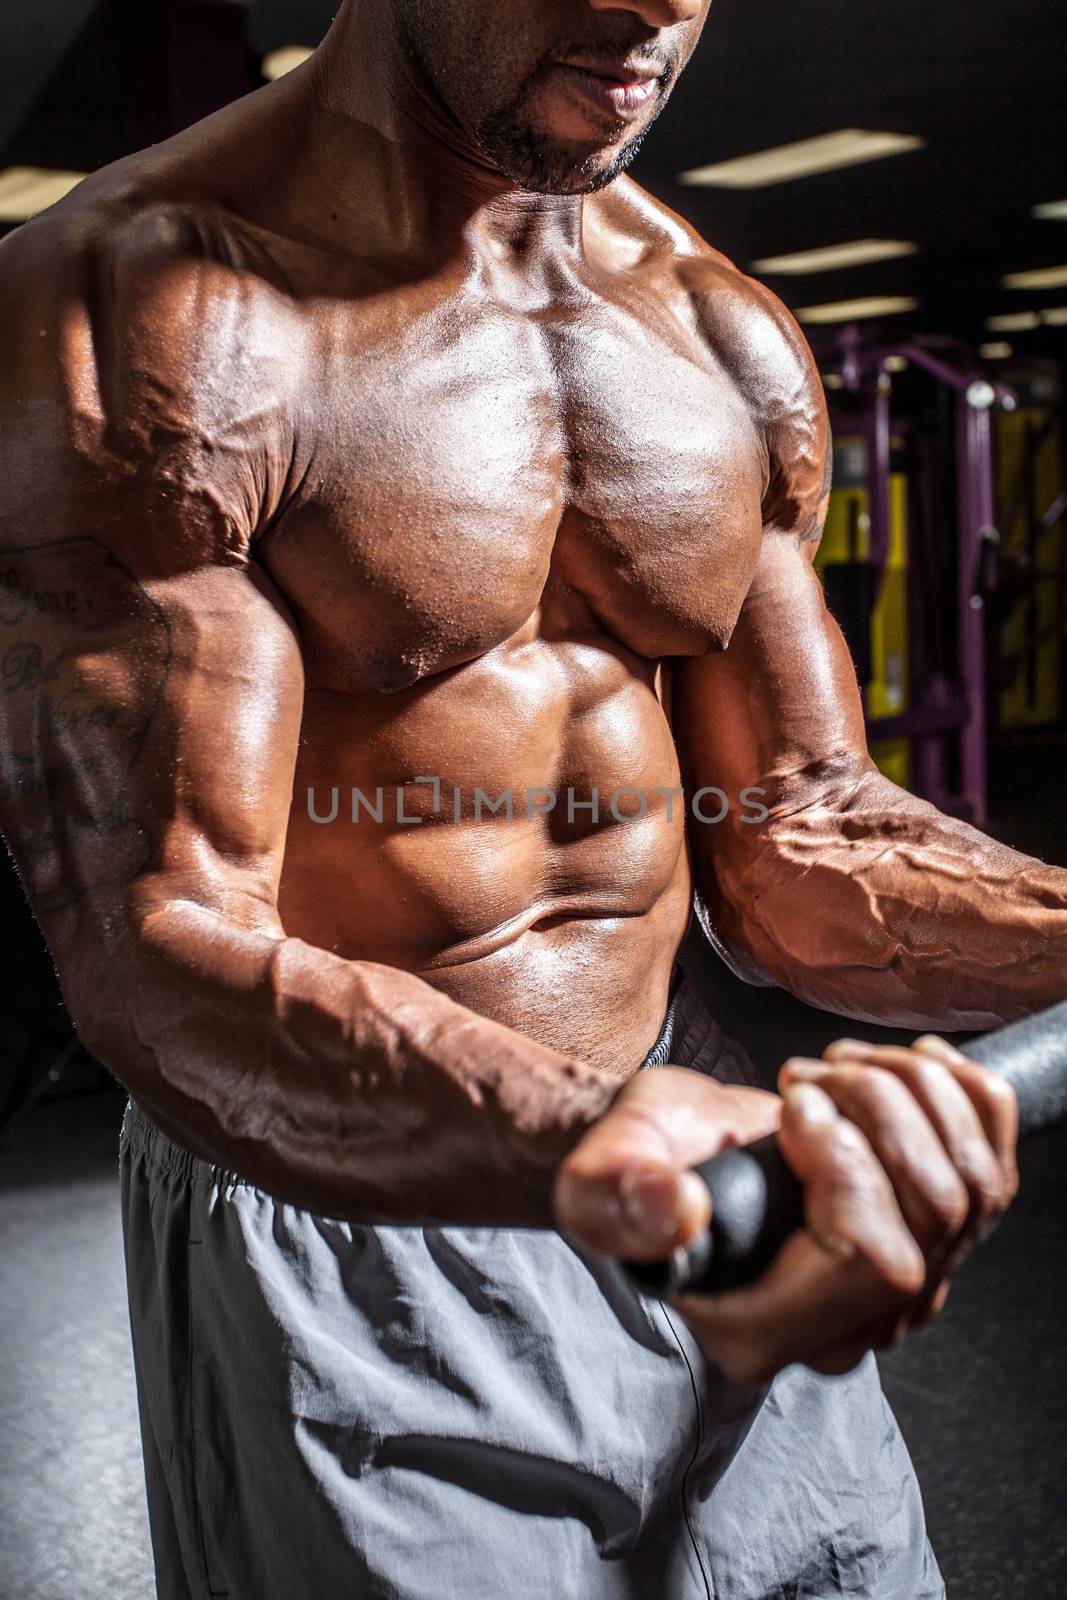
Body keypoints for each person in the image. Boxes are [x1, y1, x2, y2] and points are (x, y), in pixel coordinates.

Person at [0, 0, 1061, 1594]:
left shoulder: (716, 326)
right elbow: (154, 942)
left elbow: (798, 840)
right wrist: (595, 1143)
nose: (647, 7)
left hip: (700, 1138)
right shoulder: (143, 302)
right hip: (355, 1199)